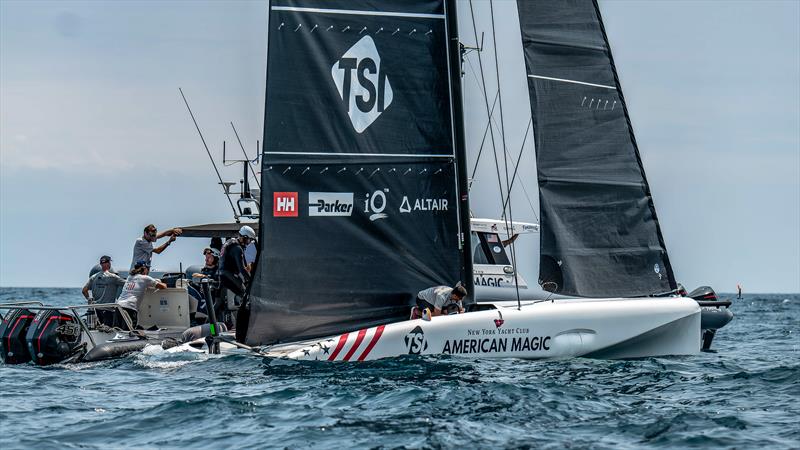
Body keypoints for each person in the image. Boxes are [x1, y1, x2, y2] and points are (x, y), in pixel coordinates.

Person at [115, 261, 166, 329]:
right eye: (147, 268)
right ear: (144, 268)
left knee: (118, 331)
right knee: (129, 333)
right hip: (130, 308)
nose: (148, 270)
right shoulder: (145, 278)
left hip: (118, 306)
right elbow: (163, 286)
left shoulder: (130, 277)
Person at [82, 255, 126, 326]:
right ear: (109, 264)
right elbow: (128, 284)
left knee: (98, 329)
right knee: (108, 331)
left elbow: (84, 291)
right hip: (108, 310)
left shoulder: (93, 277)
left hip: (96, 310)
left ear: (100, 264)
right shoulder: (113, 277)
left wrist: (90, 300)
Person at [219, 226, 256, 299]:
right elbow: (241, 269)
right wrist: (252, 281)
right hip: (228, 275)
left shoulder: (230, 242)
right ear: (245, 238)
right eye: (249, 240)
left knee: (219, 301)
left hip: (222, 274)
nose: (249, 243)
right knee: (245, 295)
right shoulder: (237, 249)